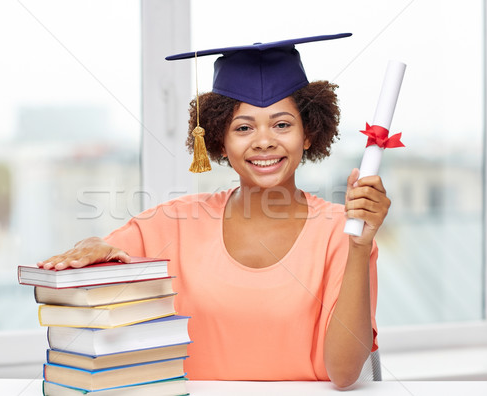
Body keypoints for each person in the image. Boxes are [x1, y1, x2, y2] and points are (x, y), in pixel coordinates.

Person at [37, 33, 390, 389]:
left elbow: (345, 374)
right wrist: (92, 246)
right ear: (219, 139)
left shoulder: (343, 233)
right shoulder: (175, 223)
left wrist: (359, 248)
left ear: (309, 133)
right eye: (244, 127)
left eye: (282, 124)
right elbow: (106, 255)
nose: (264, 140)